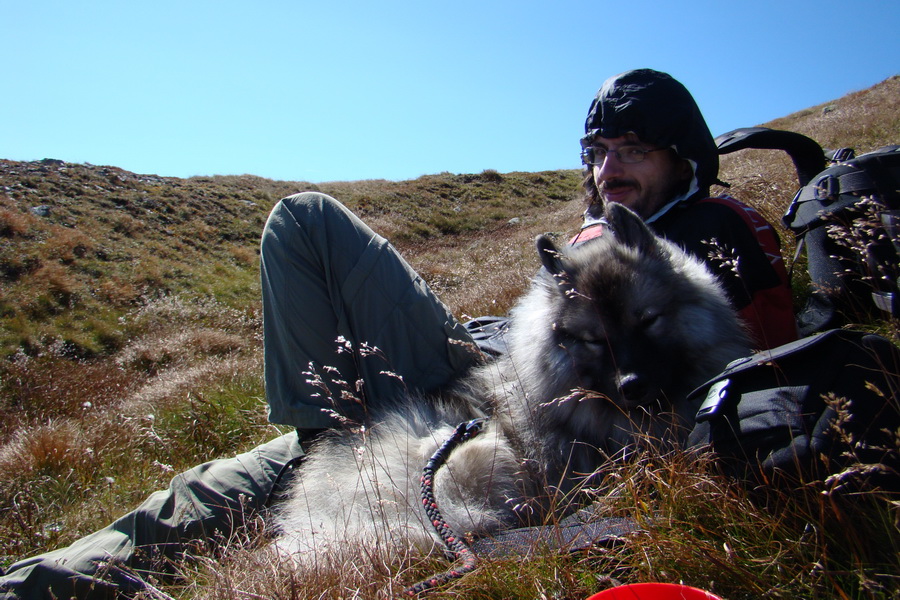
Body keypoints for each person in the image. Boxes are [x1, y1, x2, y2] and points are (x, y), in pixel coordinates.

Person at [0, 68, 796, 599]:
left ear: (684, 158)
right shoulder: (596, 234)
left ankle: (325, 447)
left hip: (476, 404)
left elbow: (740, 370)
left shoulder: (708, 231)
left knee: (306, 219)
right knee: (199, 494)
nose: (608, 168)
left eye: (632, 150)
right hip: (462, 379)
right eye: (597, 152)